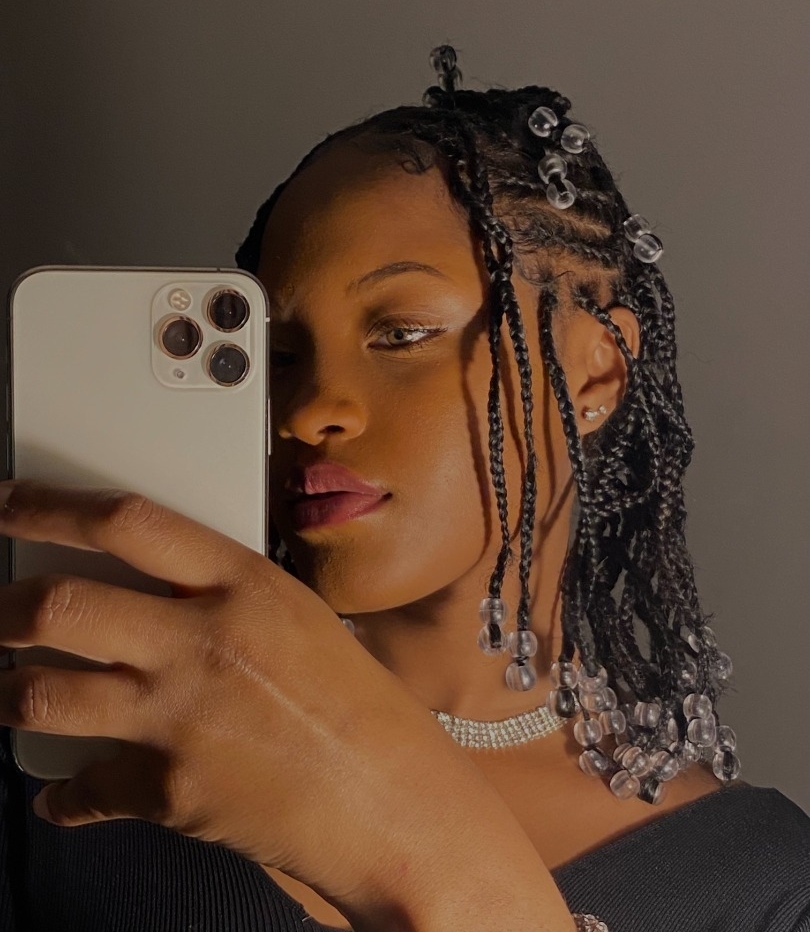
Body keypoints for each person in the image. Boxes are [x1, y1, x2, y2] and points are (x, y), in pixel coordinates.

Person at [1, 46, 808, 932]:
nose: (310, 411)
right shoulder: (85, 752)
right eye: (279, 356)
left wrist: (408, 838)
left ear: (593, 371)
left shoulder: (763, 890)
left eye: (400, 333)